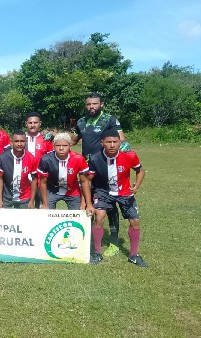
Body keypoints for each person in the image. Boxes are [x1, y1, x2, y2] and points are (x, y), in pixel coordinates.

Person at [71, 92, 131, 257]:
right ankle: (87, 239)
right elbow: (74, 141)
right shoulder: (81, 121)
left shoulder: (110, 119)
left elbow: (121, 139)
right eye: (89, 104)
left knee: (110, 205)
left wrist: (125, 145)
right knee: (87, 203)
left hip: (107, 168)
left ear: (101, 104)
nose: (91, 107)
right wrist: (54, 139)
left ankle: (113, 242)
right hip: (86, 170)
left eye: (95, 104)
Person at [86, 129, 146, 267]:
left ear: (120, 142)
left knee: (135, 222)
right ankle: (97, 252)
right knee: (99, 217)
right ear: (102, 143)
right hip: (103, 192)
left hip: (125, 192)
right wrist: (88, 201)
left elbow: (140, 170)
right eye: (108, 142)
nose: (112, 145)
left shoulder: (130, 155)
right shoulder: (95, 158)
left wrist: (136, 186)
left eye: (115, 142)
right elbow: (88, 180)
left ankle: (134, 255)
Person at [37, 133, 92, 210]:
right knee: (46, 214)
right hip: (52, 190)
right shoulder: (46, 160)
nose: (61, 148)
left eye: (65, 145)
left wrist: (88, 204)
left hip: (72, 191)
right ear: (53, 145)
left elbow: (84, 182)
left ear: (70, 145)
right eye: (58, 145)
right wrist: (45, 204)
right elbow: (43, 182)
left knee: (77, 215)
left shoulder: (78, 159)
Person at [0, 130, 39, 209]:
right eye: (16, 141)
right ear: (11, 142)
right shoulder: (2, 158)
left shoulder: (31, 158)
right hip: (6, 197)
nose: (19, 144)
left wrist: (32, 200)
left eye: (22, 141)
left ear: (26, 142)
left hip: (25, 197)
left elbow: (34, 180)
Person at [25, 112, 54, 208]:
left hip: (40, 180)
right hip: (24, 179)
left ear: (40, 123)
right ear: (26, 123)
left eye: (35, 122)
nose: (32, 125)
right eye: (30, 123)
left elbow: (51, 159)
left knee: (41, 207)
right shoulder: (21, 139)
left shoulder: (46, 139)